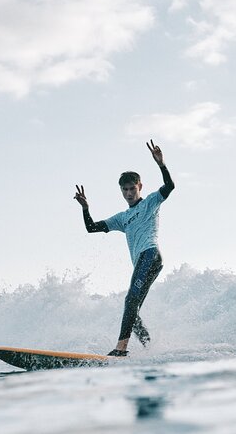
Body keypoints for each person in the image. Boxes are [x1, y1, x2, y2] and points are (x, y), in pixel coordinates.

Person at [74, 140, 175, 356]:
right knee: (133, 309)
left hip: (150, 254)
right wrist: (85, 208)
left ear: (140, 187)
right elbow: (91, 228)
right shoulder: (122, 218)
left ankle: (121, 348)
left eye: (132, 188)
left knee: (130, 300)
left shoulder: (150, 202)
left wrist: (161, 164)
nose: (129, 193)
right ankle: (151, 348)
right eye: (125, 190)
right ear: (121, 191)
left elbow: (169, 187)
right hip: (143, 261)